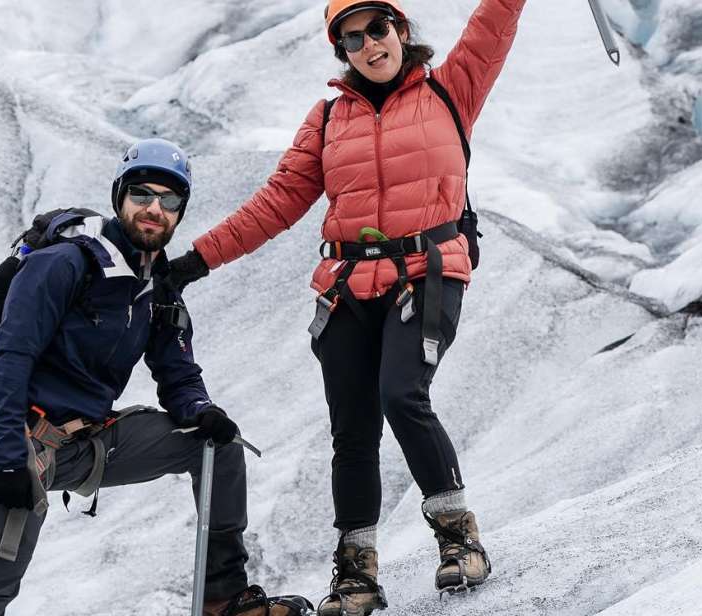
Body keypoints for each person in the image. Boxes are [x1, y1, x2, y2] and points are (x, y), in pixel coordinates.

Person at [163, 1, 528, 613]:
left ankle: (459, 539)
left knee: (401, 395)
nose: (367, 44)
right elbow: (277, 203)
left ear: (400, 30)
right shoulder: (330, 117)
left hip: (427, 272)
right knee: (351, 431)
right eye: (350, 37)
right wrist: (191, 264)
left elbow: (494, 23)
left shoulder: (451, 90)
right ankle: (356, 574)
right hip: (347, 287)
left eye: (377, 29)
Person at [0, 138, 310, 616]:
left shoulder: (157, 287)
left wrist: (200, 410)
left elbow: (178, 373)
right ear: (119, 196)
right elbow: (9, 359)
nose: (154, 209)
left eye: (170, 200)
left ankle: (222, 599)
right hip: (20, 442)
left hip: (89, 442)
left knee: (217, 449)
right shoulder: (64, 263)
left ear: (181, 212)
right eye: (142, 194)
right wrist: (8, 460)